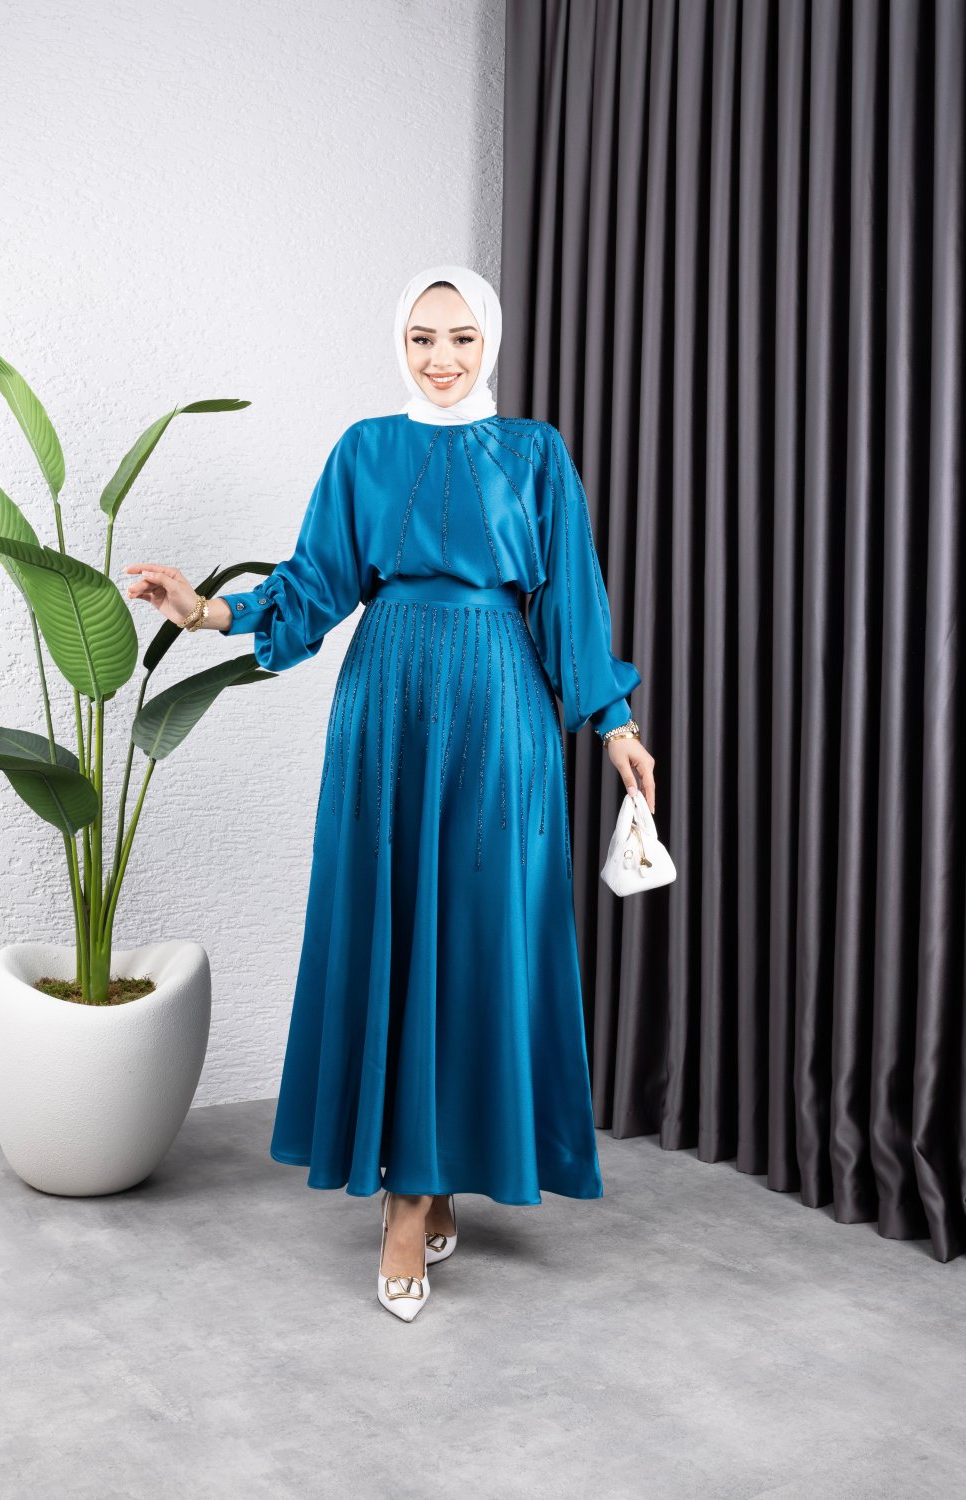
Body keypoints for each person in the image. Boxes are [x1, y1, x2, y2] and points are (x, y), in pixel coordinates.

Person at [125, 264, 656, 1322]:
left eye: (461, 338)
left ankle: (436, 1170)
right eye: (422, 338)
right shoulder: (364, 450)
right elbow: (314, 585)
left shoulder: (536, 452)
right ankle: (407, 1202)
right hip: (388, 708)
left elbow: (572, 600)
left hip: (501, 711)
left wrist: (614, 724)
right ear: (399, 345)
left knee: (478, 936)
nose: (441, 359)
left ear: (489, 342)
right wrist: (205, 612)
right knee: (397, 932)